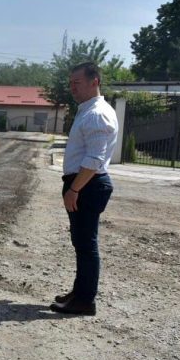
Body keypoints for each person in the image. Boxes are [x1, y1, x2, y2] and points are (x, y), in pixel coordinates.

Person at [51, 62, 119, 316]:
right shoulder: (87, 110)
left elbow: (94, 160)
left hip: (87, 185)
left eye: (76, 83)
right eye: (71, 84)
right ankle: (79, 293)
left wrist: (74, 189)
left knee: (86, 244)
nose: (72, 88)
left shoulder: (97, 114)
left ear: (94, 81)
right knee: (81, 243)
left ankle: (85, 300)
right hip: (84, 184)